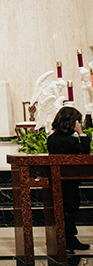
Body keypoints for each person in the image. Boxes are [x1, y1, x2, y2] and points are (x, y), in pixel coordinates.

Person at [47, 105, 91, 253]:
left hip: (57, 180)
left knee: (65, 210)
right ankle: (68, 239)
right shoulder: (69, 141)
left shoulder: (52, 139)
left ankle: (67, 238)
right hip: (68, 181)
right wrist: (81, 133)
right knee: (70, 209)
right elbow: (84, 152)